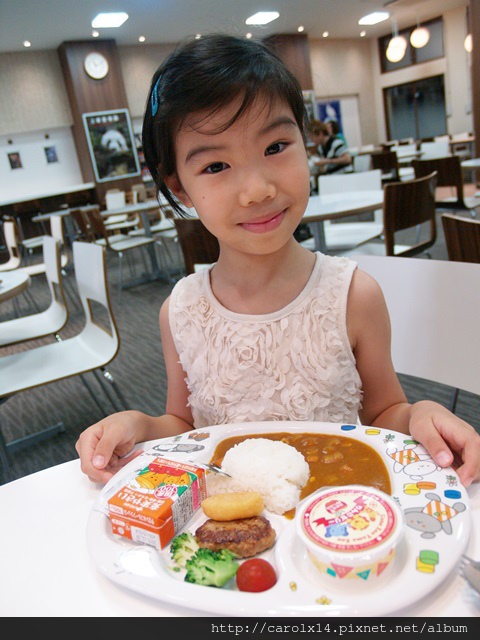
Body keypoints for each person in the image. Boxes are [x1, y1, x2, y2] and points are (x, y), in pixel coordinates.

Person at [75, 33, 480, 488]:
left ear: (304, 142)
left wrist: (420, 412)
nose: (258, 190)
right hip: (234, 525)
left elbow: (385, 411)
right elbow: (186, 427)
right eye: (215, 167)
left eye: (275, 148)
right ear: (182, 188)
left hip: (335, 516)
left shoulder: (352, 295)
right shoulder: (182, 311)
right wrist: (141, 425)